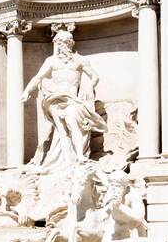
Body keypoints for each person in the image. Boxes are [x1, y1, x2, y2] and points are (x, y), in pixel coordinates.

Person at [21, 29, 106, 169]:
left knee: (72, 122)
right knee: (62, 131)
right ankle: (68, 161)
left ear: (70, 43)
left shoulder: (80, 60)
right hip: (55, 98)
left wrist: (88, 88)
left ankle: (80, 156)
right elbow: (38, 77)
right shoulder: (51, 61)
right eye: (58, 43)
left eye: (63, 43)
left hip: (72, 99)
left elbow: (94, 76)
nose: (60, 46)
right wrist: (27, 91)